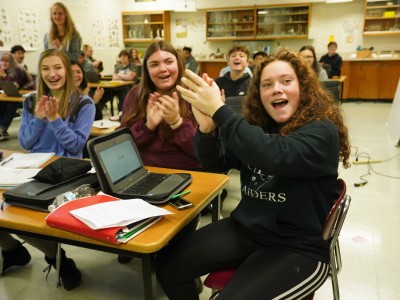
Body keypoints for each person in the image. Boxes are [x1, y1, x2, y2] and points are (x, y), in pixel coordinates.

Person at [156, 48, 351, 299]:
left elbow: (275, 154)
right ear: (259, 95)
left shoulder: (322, 132)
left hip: (297, 247)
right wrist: (206, 129)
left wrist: (219, 109)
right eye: (267, 85)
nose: (276, 89)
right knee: (167, 264)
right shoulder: (257, 128)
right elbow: (217, 164)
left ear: (304, 88)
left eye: (286, 81)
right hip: (247, 229)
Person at [2, 49, 95, 290]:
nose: (52, 74)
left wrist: (55, 119)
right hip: (29, 168)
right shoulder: (31, 100)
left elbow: (75, 145)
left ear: (67, 70)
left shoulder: (84, 103)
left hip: (66, 172)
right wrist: (39, 118)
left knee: (22, 215)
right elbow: (25, 143)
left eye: (57, 68)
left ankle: (60, 261)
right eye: (46, 69)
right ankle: (12, 251)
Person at [118, 41, 203, 264]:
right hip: (141, 177)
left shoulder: (195, 93)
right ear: (146, 70)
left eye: (168, 61)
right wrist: (147, 125)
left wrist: (176, 122)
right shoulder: (136, 95)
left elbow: (204, 154)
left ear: (179, 64)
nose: (163, 69)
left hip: (187, 180)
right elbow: (120, 148)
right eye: (154, 64)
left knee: (168, 257)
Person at [0, 52, 34, 140]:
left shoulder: (17, 70)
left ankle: (2, 129)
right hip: (15, 96)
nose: (3, 63)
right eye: (1, 61)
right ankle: (2, 130)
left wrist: (3, 76)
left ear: (11, 62)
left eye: (7, 61)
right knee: (2, 103)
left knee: (11, 104)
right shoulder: (4, 70)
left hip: (29, 97)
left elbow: (14, 86)